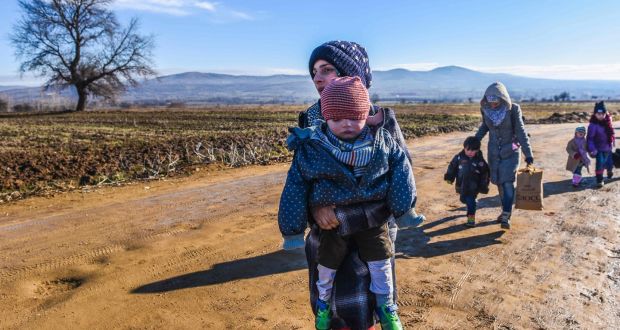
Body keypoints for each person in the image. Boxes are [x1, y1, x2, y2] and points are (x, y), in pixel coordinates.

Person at [296, 40, 421, 329]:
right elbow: (301, 176)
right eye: (314, 71)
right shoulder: (309, 120)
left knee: (369, 303)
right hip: (327, 230)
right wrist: (315, 206)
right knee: (330, 305)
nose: (317, 77)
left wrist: (359, 206)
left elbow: (402, 175)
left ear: (353, 74)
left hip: (371, 228)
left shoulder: (378, 119)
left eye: (326, 69)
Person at [475, 82, 534, 229]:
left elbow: (520, 131)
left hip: (511, 151)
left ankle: (506, 215)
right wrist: (474, 141)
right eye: (490, 101)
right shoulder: (485, 109)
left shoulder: (513, 109)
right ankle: (505, 210)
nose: (493, 104)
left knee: (508, 182)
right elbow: (485, 126)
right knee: (500, 183)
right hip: (494, 153)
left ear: (502, 98)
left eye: (495, 101)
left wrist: (528, 155)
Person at [444, 136, 490, 227]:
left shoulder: (480, 161)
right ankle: (471, 204)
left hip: (474, 186)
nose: (470, 152)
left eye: (473, 150)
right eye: (468, 150)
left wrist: (483, 185)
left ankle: (471, 219)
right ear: (464, 148)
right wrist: (449, 177)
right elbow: (452, 167)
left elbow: (485, 173)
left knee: (470, 200)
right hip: (461, 184)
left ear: (477, 150)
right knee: (464, 199)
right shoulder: (458, 158)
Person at [587, 101, 615, 188]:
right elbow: (590, 139)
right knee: (600, 163)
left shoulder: (608, 122)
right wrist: (592, 149)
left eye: (602, 113)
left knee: (609, 162)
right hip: (598, 149)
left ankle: (609, 171)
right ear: (595, 114)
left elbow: (611, 133)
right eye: (598, 114)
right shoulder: (593, 125)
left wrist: (612, 141)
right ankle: (599, 179)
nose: (601, 115)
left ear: (605, 113)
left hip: (608, 147)